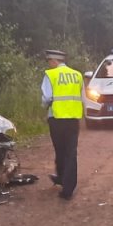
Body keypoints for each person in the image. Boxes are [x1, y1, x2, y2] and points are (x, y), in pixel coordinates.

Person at [41, 49, 83, 200]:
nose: (49, 64)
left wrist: (45, 106)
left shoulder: (50, 75)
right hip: (73, 119)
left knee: (60, 150)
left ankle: (63, 181)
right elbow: (82, 96)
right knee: (71, 152)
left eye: (49, 61)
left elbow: (46, 98)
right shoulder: (77, 75)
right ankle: (68, 185)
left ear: (54, 60)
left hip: (57, 118)